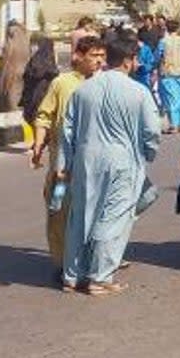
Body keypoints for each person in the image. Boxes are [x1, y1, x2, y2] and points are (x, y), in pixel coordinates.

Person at [57, 36, 161, 296]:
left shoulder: (83, 90)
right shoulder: (138, 91)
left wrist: (64, 164)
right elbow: (152, 132)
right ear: (128, 61)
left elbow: (66, 132)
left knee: (80, 216)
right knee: (113, 218)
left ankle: (72, 275)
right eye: (135, 58)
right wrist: (148, 153)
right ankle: (100, 277)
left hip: (85, 160)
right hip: (122, 161)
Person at [29, 36, 105, 274]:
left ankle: (95, 259)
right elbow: (44, 116)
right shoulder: (62, 83)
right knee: (58, 208)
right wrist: (38, 146)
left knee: (97, 212)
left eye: (102, 56)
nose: (99, 61)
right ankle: (62, 263)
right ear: (78, 56)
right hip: (63, 164)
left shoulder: (106, 83)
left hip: (96, 161)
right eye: (94, 56)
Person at [19, 37, 58, 127]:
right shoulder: (50, 63)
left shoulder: (34, 61)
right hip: (44, 99)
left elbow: (27, 78)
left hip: (32, 100)